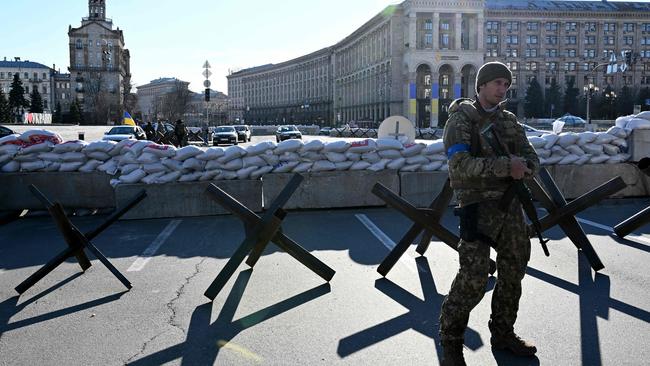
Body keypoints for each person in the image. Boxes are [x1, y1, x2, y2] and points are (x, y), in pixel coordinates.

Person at [439, 61, 540, 365]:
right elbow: (459, 166)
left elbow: (531, 159)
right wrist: (505, 167)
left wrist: (524, 168)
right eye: (497, 83)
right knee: (474, 276)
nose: (502, 89)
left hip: (509, 207)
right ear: (481, 85)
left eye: (506, 85)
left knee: (513, 271)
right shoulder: (461, 120)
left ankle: (503, 332)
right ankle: (451, 338)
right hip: (476, 205)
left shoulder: (509, 121)